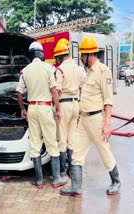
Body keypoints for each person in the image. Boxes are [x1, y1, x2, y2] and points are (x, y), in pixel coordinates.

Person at [60, 37, 120, 197]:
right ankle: (76, 187)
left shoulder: (103, 71)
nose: (80, 58)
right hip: (84, 120)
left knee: (104, 151)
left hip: (96, 120)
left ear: (89, 54)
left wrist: (107, 124)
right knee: (77, 153)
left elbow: (108, 101)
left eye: (82, 55)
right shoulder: (87, 73)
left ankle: (116, 181)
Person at [16, 41, 68, 189]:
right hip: (45, 108)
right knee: (52, 142)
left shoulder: (25, 71)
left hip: (32, 108)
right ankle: (57, 178)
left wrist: (22, 109)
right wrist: (57, 110)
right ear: (41, 54)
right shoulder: (48, 68)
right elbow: (54, 91)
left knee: (35, 144)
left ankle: (39, 181)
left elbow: (19, 93)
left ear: (30, 55)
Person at [53, 39, 85, 177]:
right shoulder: (79, 69)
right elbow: (83, 88)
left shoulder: (60, 69)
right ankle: (72, 170)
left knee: (62, 139)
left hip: (64, 105)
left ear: (60, 56)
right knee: (72, 139)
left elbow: (57, 90)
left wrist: (55, 107)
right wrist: (80, 104)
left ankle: (62, 171)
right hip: (75, 105)